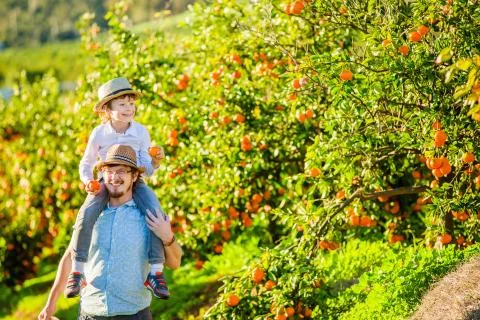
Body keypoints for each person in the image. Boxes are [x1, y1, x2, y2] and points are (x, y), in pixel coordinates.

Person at [38, 144, 183, 320]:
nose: (114, 177)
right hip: (91, 313)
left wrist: (168, 236)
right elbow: (70, 256)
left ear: (135, 175)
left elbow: (175, 263)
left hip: (134, 314)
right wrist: (51, 304)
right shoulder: (91, 215)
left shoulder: (148, 216)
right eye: (109, 171)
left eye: (122, 171)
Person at [66, 77, 170, 299]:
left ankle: (155, 273)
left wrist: (156, 162)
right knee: (86, 214)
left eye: (131, 104)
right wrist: (88, 181)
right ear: (107, 108)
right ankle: (77, 271)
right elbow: (86, 162)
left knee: (155, 212)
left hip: (134, 180)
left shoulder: (141, 132)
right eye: (122, 104)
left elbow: (145, 168)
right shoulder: (99, 133)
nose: (128, 109)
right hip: (105, 180)